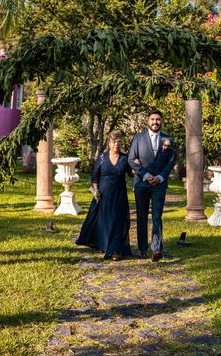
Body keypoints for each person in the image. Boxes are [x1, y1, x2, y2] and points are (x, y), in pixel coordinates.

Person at [75, 131, 133, 260]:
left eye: (118, 141)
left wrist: (137, 164)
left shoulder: (125, 158)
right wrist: (95, 191)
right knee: (105, 221)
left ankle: (115, 250)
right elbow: (95, 178)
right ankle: (105, 244)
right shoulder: (102, 157)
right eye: (113, 142)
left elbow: (131, 174)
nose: (116, 144)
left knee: (118, 221)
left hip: (119, 194)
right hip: (104, 194)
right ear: (109, 143)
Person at [128, 110, 175, 262]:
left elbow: (170, 161)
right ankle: (142, 249)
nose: (155, 122)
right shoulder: (138, 138)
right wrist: (146, 176)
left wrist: (160, 177)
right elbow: (131, 159)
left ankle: (156, 249)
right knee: (141, 217)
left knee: (156, 216)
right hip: (142, 184)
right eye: (153, 119)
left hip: (159, 185)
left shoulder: (168, 139)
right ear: (148, 121)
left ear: (161, 121)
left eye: (158, 119)